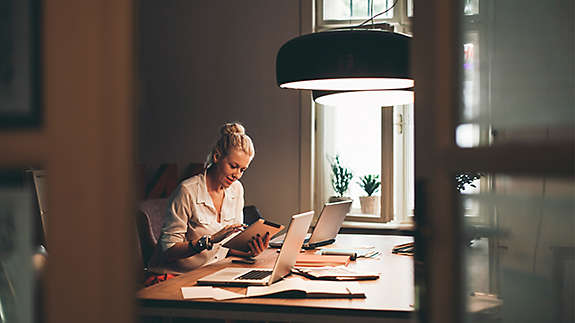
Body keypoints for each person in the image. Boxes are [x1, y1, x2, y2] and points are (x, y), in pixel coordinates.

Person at [149, 122, 270, 273]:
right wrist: (210, 240)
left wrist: (251, 250)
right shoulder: (187, 191)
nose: (237, 175)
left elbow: (226, 247)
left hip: (211, 271)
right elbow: (168, 250)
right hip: (175, 276)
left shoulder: (237, 189)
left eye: (242, 170)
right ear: (217, 156)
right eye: (233, 166)